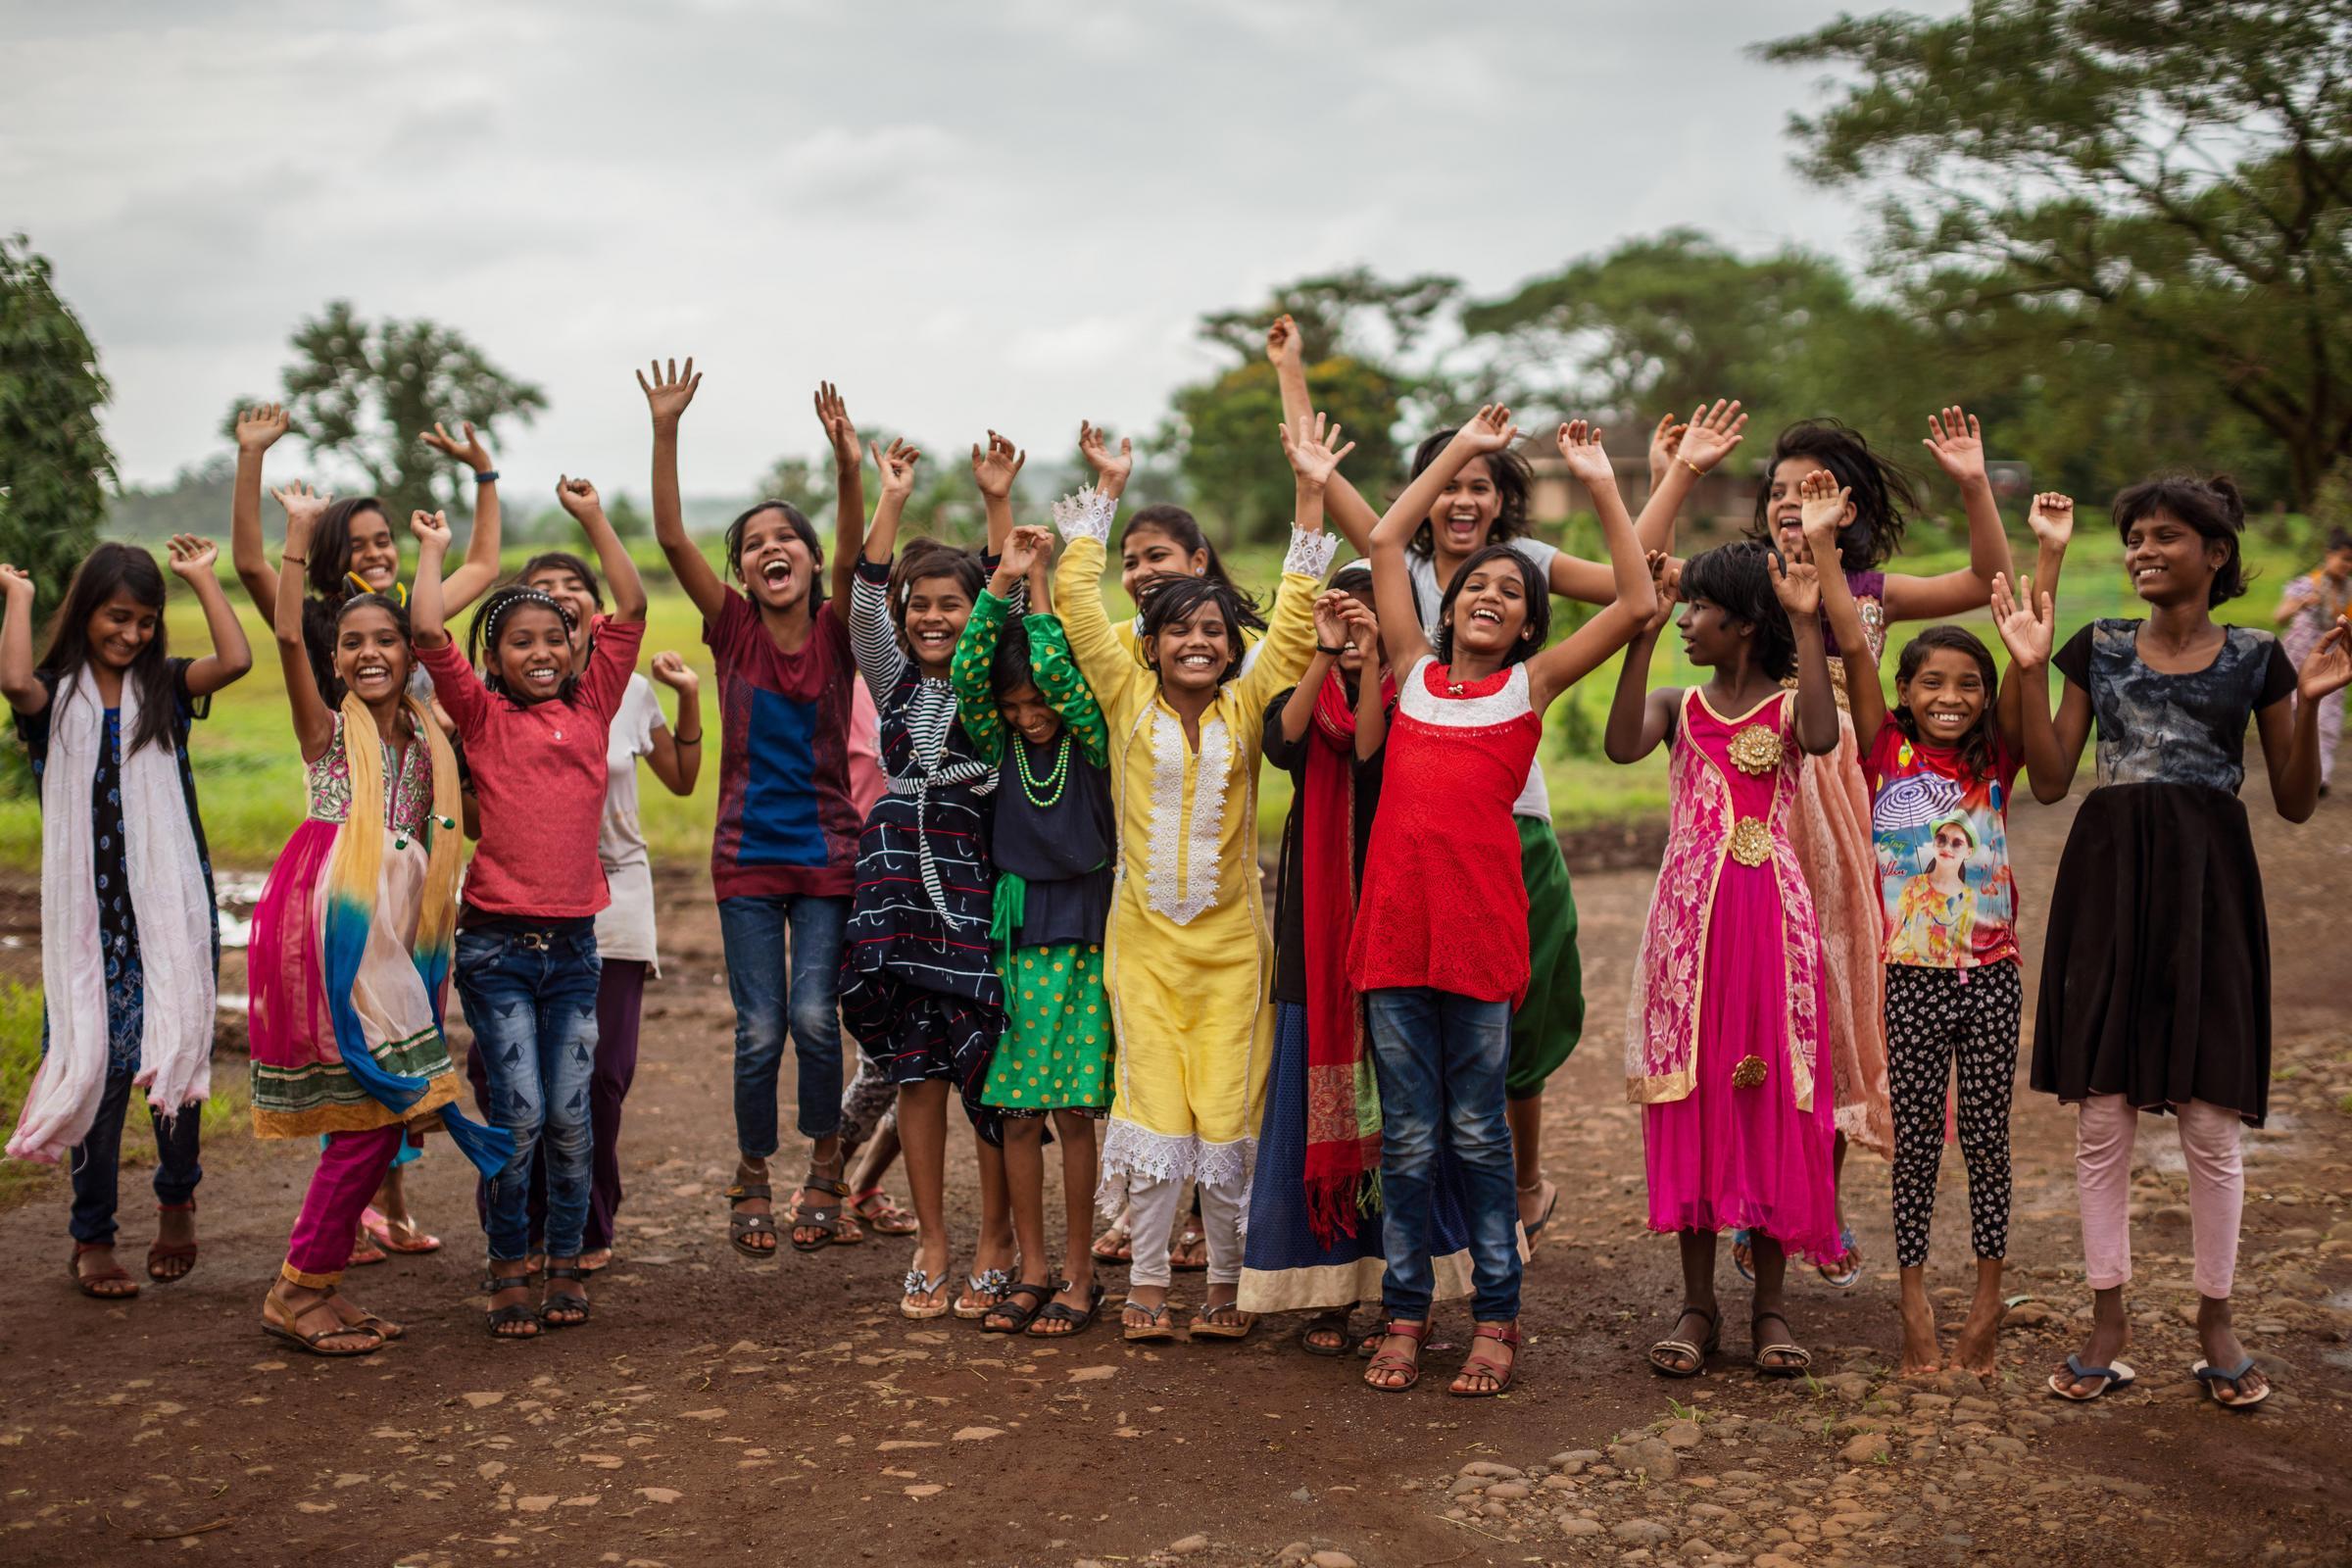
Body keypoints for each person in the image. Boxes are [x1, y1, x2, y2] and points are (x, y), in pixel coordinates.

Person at [1266, 314, 1747, 1245]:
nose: (1464, 500)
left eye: (1481, 484)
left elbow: (1630, 586)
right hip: (1399, 829)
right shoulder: (1404, 602)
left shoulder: (1522, 592)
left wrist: (1659, 476)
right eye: (1449, 482)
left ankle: (1514, 1195)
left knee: (1505, 1025)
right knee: (1408, 1047)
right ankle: (1426, 1235)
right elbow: (1326, 482)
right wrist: (1296, 373)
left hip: (1503, 823)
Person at [2014, 472, 2348, 1409]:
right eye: (2135, 539)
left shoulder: (2256, 659)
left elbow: (2289, 801)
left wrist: (2316, 698)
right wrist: (2031, 667)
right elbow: (2046, 779)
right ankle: (2108, 1319)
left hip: (2210, 888)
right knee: (2103, 1113)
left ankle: (2216, 1320)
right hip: (2109, 882)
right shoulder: (2098, 648)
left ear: (2216, 554)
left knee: (2208, 1118)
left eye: (2165, 536)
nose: (2144, 551)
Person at [1351, 413, 1657, 1396]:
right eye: (1476, 584)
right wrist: (1451, 454)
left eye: (1510, 591)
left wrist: (1601, 479)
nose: (1489, 593)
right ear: (1447, 611)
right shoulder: (1410, 674)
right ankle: (1403, 1312)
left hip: (1480, 945)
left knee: (1479, 1134)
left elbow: (1640, 594)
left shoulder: (1528, 688)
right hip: (1396, 940)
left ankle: (1496, 1316)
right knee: (1406, 1137)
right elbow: (1388, 539)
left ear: (1530, 626)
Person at [1054, 414, 1339, 1345]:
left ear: (1229, 642)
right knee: (1150, 1109)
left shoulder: (1252, 703)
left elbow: (1296, 617)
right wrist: (1107, 489)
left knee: (1225, 1111)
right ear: (1155, 640)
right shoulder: (1122, 690)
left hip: (1228, 952)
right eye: (1182, 631)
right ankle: (1145, 1284)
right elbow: (1075, 603)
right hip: (1140, 948)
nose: (1200, 644)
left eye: (1215, 630)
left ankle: (1223, 1283)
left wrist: (1308, 488)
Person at [1737, 409, 2013, 1288]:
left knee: (1842, 998)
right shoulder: (1747, 584)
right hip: (1757, 802)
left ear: (1847, 507)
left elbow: (1986, 577)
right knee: (1760, 1009)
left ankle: (1816, 1200)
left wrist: (1973, 482)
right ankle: (1756, 1206)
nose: (1790, 504)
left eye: (1810, 490)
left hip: (1854, 815)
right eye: (1779, 492)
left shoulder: (1871, 593)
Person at [227, 404, 504, 1250]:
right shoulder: (326, 696)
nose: (372, 649)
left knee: (388, 1089)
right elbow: (277, 620)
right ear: (338, 652)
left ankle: (346, 1243)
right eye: (355, 642)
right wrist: (291, 521)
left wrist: (479, 480)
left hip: (412, 896)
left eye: (391, 638)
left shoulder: (422, 723)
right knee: (376, 1084)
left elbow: (481, 565)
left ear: (414, 648)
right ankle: (315, 1267)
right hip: (345, 894)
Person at [1818, 467, 2075, 1376]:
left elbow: (2025, 643)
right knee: (1917, 1141)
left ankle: (1990, 1299)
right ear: (1905, 690)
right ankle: (1914, 1299)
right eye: (1933, 683)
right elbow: (1849, 643)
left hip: (1995, 975)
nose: (1952, 696)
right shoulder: (1883, 748)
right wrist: (1820, 544)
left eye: (1967, 682)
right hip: (1910, 979)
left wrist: (2047, 558)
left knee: (1989, 1141)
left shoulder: (1996, 754)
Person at [644, 363, 869, 1257]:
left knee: (817, 1019)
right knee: (760, 1029)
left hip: (827, 857)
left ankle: (824, 1162)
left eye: (788, 539)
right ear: (740, 568)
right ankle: (751, 1168)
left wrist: (847, 465)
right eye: (752, 543)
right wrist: (667, 428)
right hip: (745, 856)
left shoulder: (838, 627)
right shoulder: (730, 628)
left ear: (811, 561)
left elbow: (858, 550)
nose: (769, 550)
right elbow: (668, 536)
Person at [413, 479, 647, 1338]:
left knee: (571, 1119)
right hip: (497, 951)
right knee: (518, 1115)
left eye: (555, 637)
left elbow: (630, 600)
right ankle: (505, 1264)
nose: (541, 651)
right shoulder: (477, 715)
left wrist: (591, 517)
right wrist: (435, 553)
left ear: (577, 646)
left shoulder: (593, 702)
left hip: (575, 952)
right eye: (520, 641)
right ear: (496, 655)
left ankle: (561, 1265)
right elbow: (428, 632)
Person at [1608, 539, 1842, 1380]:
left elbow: (1821, 735)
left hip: (1771, 925)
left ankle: (1771, 1310)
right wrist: (1641, 632)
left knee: (1773, 1093)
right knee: (1696, 1092)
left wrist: (1809, 621)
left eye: (1698, 609)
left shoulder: (1787, 710)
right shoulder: (1678, 706)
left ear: (1744, 624)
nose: (1686, 622)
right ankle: (1698, 1304)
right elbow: (1618, 744)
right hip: (1689, 931)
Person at [4, 539, 249, 1301]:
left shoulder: (166, 689)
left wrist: (203, 579)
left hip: (169, 918)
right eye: (118, 618)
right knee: (99, 1072)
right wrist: (16, 594)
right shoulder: (53, 700)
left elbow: (236, 661)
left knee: (174, 1056)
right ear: (86, 614)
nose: (132, 635)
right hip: (91, 931)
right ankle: (94, 1235)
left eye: (145, 621)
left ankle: (177, 1201)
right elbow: (12, 678)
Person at [1241, 565, 1475, 1354]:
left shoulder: (1417, 701)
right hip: (1316, 942)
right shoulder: (1298, 691)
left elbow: (1371, 754)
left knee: (1410, 1114)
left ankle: (1408, 1292)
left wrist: (1371, 658)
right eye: (1343, 611)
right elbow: (1285, 743)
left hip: (1395, 931)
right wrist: (1322, 653)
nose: (1354, 624)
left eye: (1371, 611)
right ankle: (1329, 1292)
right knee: (1314, 1111)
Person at [457, 551, 703, 1275]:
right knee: (506, 1086)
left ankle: (584, 1229)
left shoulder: (616, 694)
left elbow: (685, 779)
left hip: (611, 898)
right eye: (535, 608)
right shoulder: (493, 709)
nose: (554, 617)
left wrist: (688, 695)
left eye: (569, 603)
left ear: (587, 621)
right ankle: (516, 1230)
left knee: (593, 1085)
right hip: (513, 904)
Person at [842, 432, 1018, 1318]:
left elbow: (1006, 598)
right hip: (893, 889)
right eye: (922, 607)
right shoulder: (894, 680)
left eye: (953, 605)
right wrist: (892, 498)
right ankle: (932, 1239)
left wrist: (997, 502)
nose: (934, 619)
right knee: (915, 1072)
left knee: (983, 1063)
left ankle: (994, 1236)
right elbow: (864, 608)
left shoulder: (989, 680)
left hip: (973, 881)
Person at [952, 523, 1117, 1337]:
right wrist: (997, 589)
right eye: (1014, 706)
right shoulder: (1000, 742)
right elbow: (968, 671)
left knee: (1077, 1113)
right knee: (1018, 1114)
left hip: (1083, 937)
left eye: (1037, 701)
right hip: (1016, 940)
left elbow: (1051, 666)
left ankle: (1082, 1277)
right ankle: (1035, 1268)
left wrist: (1040, 582)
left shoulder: (1091, 740)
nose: (1027, 714)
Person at [2275, 528, 2351, 792]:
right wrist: (2301, 603)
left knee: (2326, 718)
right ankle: (2294, 772)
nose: (2347, 566)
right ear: (2328, 555)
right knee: (2293, 714)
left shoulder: (2350, 592)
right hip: (2297, 658)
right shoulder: (2307, 584)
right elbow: (2279, 616)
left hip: (2331, 663)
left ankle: (2320, 778)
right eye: (2344, 558)